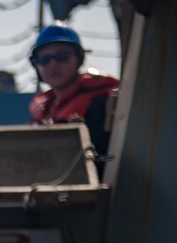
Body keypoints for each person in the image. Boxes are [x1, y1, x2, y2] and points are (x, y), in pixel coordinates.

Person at [28, 22, 119, 165]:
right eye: (45, 60)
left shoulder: (100, 104)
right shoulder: (42, 112)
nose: (53, 65)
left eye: (62, 57)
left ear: (79, 59)